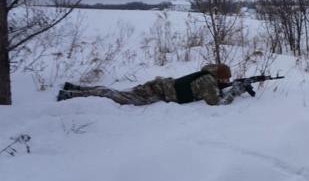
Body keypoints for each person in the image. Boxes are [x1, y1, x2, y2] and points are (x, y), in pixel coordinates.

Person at [56, 63, 249, 106]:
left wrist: (230, 86)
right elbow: (216, 103)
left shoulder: (207, 74)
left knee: (115, 92)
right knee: (114, 95)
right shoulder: (209, 82)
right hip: (156, 92)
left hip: (159, 85)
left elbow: (214, 87)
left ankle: (77, 88)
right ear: (220, 77)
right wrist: (236, 92)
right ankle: (71, 95)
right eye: (226, 79)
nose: (226, 81)